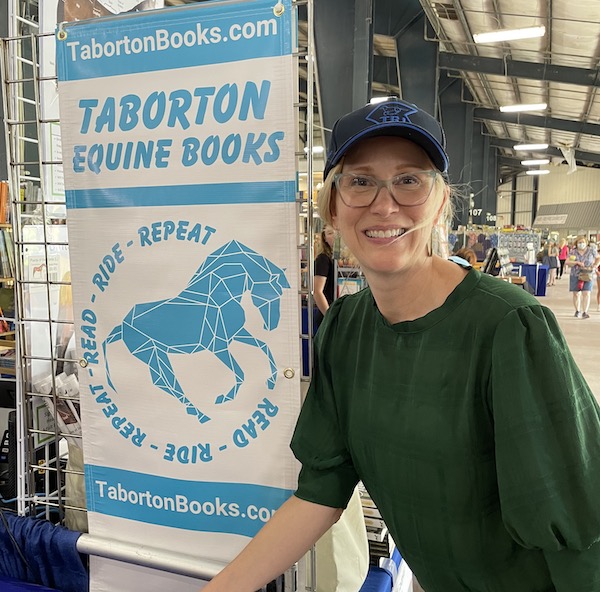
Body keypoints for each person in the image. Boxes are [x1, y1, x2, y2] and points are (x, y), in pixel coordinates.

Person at [203, 99, 600, 592]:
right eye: (361, 181)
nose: (384, 204)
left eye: (409, 180)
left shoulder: (509, 327)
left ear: (439, 202)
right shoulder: (346, 329)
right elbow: (321, 492)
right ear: (332, 206)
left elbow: (582, 534)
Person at [566, 235, 600, 319]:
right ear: (576, 243)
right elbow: (567, 262)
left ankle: (585, 311)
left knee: (586, 292)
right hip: (575, 274)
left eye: (583, 242)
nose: (581, 244)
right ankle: (577, 310)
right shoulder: (573, 252)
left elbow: (598, 258)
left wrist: (595, 265)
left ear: (586, 243)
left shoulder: (591, 250)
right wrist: (576, 262)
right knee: (576, 293)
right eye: (579, 242)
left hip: (588, 274)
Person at [313, 225, 336, 331]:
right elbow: (317, 292)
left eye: (337, 232)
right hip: (328, 313)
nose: (335, 235)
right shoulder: (323, 259)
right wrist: (329, 317)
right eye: (330, 233)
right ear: (324, 238)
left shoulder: (344, 260)